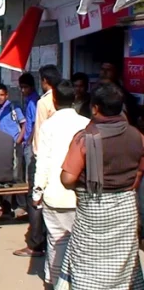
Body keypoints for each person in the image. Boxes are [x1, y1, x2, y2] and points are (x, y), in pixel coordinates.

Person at [57, 82, 144, 290]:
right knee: (123, 261)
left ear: (95, 108)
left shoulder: (85, 138)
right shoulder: (137, 136)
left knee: (88, 263)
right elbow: (138, 174)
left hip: (94, 212)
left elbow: (67, 179)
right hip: (126, 211)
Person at [33, 80, 89, 287]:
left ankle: (54, 281)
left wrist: (37, 192)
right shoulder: (86, 124)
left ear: (54, 101)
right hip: (81, 196)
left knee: (56, 243)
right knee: (80, 244)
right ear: (74, 99)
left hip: (54, 195)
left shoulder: (48, 126)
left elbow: (43, 162)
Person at [14, 65, 61, 258]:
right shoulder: (65, 99)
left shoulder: (43, 102)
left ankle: (35, 243)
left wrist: (35, 154)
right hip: (61, 156)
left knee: (36, 198)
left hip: (42, 155)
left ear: (44, 81)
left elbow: (39, 130)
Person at [17, 72, 39, 218]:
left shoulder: (35, 101)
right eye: (21, 87)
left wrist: (30, 140)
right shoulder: (27, 100)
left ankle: (29, 207)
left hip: (31, 142)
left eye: (25, 87)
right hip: (26, 141)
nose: (23, 90)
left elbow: (36, 123)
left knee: (29, 176)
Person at [99, 61, 140, 126]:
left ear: (117, 74)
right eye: (102, 69)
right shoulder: (95, 95)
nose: (104, 73)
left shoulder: (127, 99)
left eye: (108, 70)